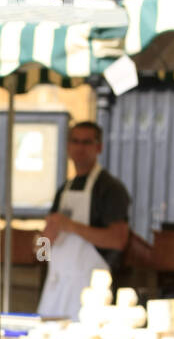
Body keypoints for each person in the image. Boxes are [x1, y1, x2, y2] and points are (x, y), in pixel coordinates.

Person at [37, 121, 131, 320]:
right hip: (54, 290)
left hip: (91, 294)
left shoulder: (110, 189)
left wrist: (71, 226)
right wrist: (44, 240)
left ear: (99, 147)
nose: (80, 148)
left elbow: (118, 239)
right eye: (75, 141)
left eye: (86, 142)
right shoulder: (63, 190)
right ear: (68, 146)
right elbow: (41, 255)